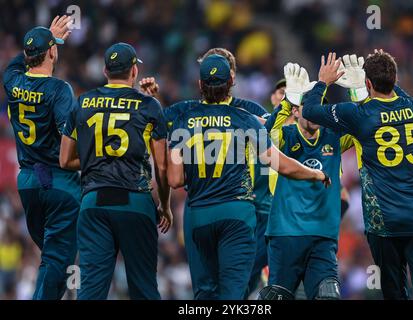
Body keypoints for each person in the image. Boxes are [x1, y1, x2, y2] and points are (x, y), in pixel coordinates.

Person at [167, 54, 330, 300]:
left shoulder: (183, 119)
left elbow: (175, 180)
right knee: (234, 295)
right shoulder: (245, 118)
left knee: (204, 294)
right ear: (232, 81)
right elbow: (280, 164)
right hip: (236, 214)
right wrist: (315, 173)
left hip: (198, 214)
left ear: (200, 85)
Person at [302, 50, 413, 300]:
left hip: (384, 222)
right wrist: (382, 78)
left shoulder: (359, 114)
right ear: (395, 79)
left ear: (368, 83)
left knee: (394, 292)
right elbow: (398, 95)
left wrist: (323, 82)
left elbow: (311, 111)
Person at [140, 47, 273, 299]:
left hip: (245, 206)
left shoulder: (246, 110)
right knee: (214, 290)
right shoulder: (199, 111)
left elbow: (157, 133)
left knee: (235, 289)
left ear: (231, 75)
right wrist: (153, 102)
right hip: (224, 207)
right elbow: (157, 122)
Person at [60, 42, 172, 300]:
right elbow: (163, 165)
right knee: (144, 288)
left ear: (104, 70)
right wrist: (164, 205)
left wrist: (98, 159)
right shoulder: (149, 105)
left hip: (93, 203)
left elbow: (65, 160)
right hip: (136, 201)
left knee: (90, 291)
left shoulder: (83, 102)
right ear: (134, 71)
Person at [261, 63, 354, 300]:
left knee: (327, 296)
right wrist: (288, 99)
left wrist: (357, 93)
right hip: (285, 235)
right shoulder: (285, 136)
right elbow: (260, 140)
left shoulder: (335, 138)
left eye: (317, 107)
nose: (313, 112)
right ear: (295, 111)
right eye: (305, 106)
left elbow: (365, 125)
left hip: (322, 238)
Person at [2, 16, 80, 300]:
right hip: (59, 181)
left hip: (28, 183)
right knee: (57, 260)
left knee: (55, 259)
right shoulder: (59, 90)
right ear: (53, 51)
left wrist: (47, 36)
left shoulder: (12, 81)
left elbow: (14, 63)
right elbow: (67, 136)